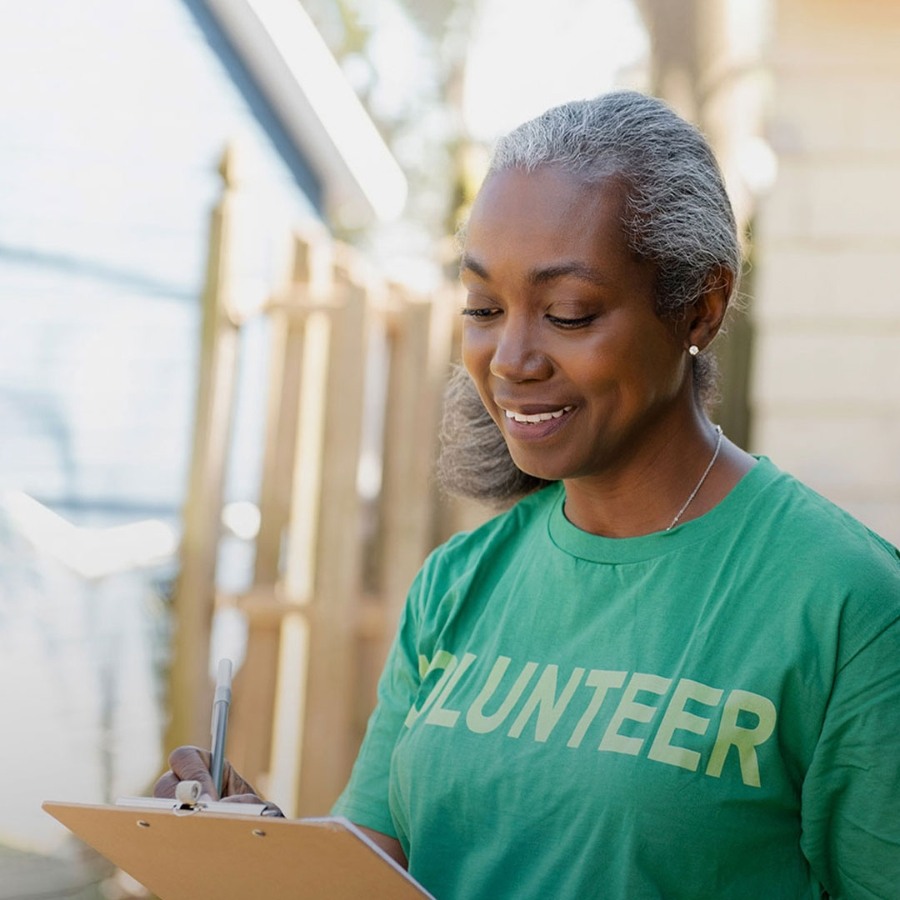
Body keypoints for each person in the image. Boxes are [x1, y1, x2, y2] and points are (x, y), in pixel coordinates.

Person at [157, 91, 900, 899]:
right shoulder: (459, 583)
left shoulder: (846, 607)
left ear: (701, 309)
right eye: (483, 307)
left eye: (568, 312)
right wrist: (251, 855)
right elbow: (379, 868)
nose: (510, 357)